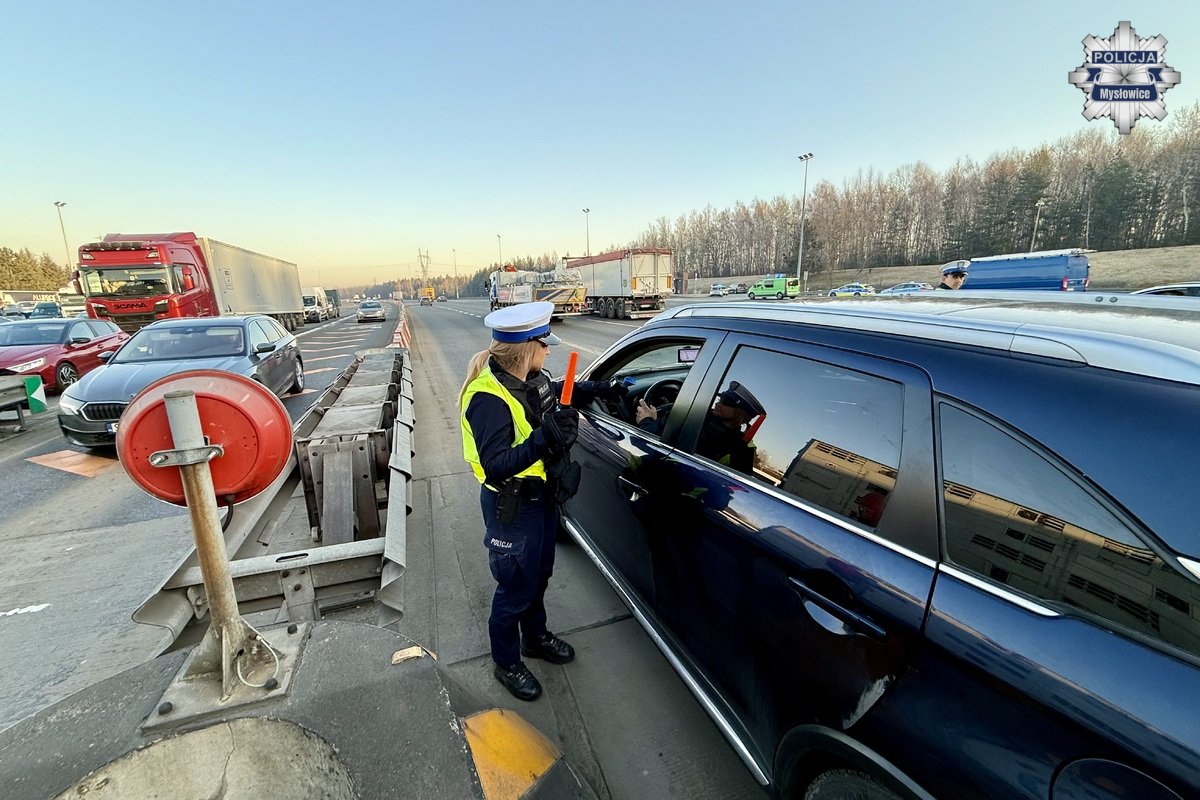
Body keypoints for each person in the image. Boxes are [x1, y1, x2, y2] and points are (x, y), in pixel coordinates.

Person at [459, 301, 625, 701]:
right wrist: (544, 437)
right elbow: (496, 465)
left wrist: (600, 388)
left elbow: (558, 393)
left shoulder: (531, 377)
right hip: (512, 508)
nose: (549, 351)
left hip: (541, 500)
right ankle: (507, 662)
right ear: (526, 349)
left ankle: (534, 638)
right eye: (544, 345)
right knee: (515, 588)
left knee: (539, 576)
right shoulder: (488, 399)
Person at [636, 379, 765, 476]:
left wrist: (646, 420)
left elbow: (643, 441)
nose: (719, 402)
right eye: (721, 398)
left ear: (741, 414)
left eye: (726, 401)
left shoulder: (692, 418)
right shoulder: (743, 446)